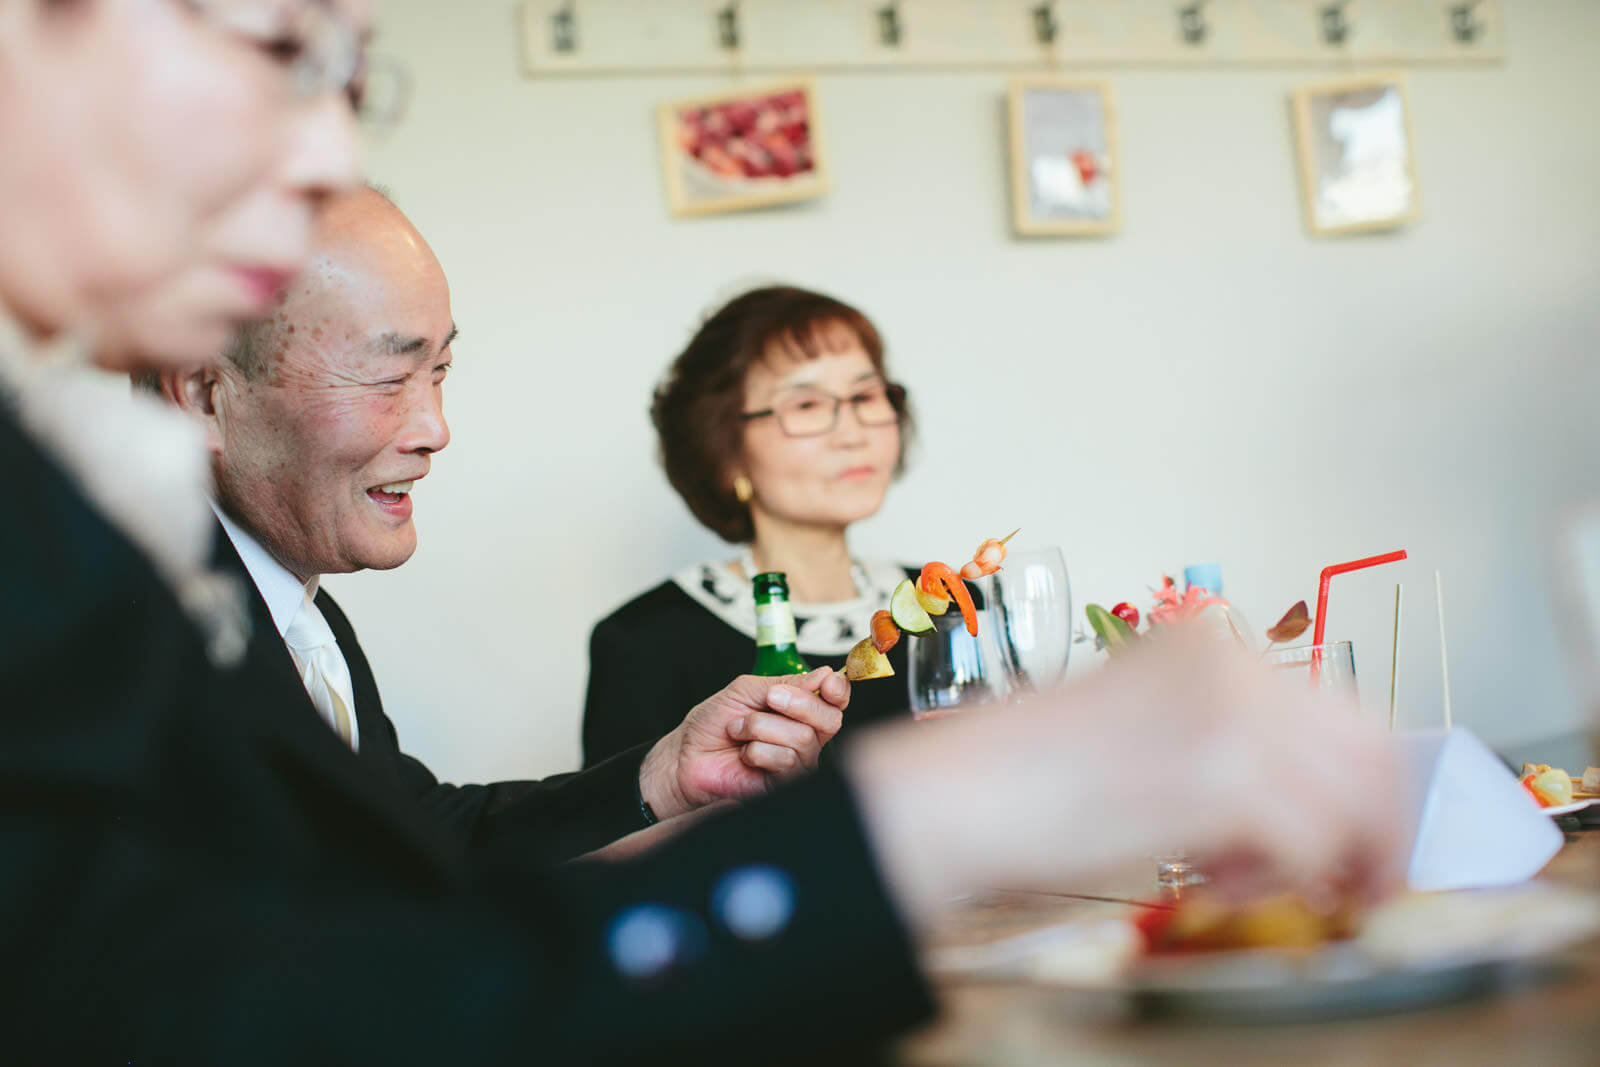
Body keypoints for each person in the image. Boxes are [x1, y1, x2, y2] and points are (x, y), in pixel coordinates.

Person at [0, 2, 1403, 1061]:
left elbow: (404, 862)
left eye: (351, 73)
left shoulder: (229, 581)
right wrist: (951, 803)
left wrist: (659, 780)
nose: (325, 142)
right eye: (276, 46)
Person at [153, 187, 846, 865]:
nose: (436, 428)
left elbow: (417, 835)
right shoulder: (136, 645)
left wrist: (663, 776)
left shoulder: (305, 619)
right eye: (389, 377)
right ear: (205, 395)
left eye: (440, 370)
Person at [585, 285, 918, 766]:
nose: (853, 432)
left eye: (865, 395)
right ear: (727, 453)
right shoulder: (644, 641)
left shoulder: (951, 604)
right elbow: (616, 838)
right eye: (805, 406)